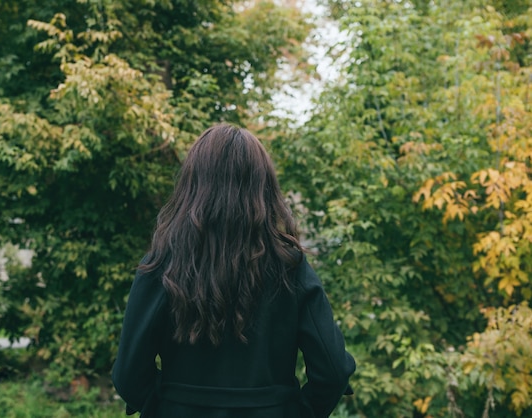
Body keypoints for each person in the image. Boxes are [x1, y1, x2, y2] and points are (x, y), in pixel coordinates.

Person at [112, 124, 355, 418]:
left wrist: (168, 406)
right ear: (263, 188)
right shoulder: (289, 268)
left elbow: (128, 375)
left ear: (192, 186)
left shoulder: (161, 266)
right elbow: (332, 369)